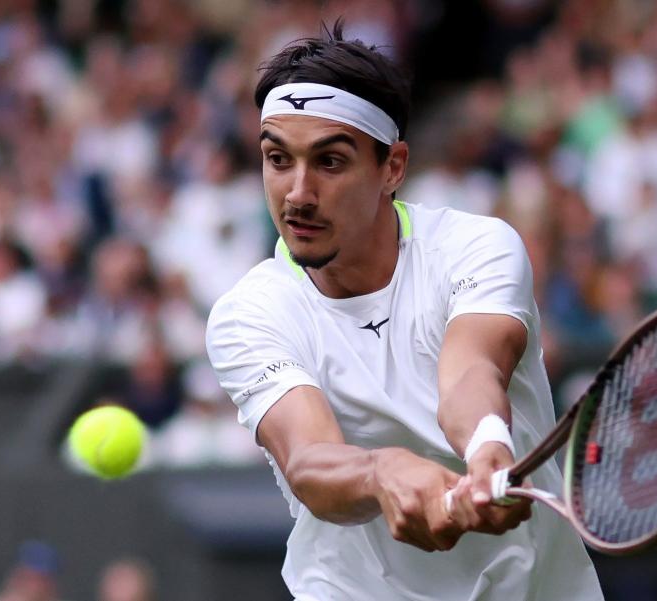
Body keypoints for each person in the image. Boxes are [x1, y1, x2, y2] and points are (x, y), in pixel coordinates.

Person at [205, 21, 605, 601]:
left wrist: (488, 447)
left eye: (330, 162)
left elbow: (471, 371)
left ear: (392, 167)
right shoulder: (248, 313)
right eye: (278, 159)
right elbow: (309, 459)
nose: (297, 193)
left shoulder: (477, 247)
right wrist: (381, 472)